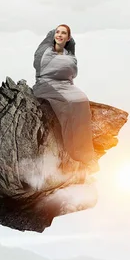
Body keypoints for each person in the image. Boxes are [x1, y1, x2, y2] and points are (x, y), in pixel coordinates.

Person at [32, 24, 99, 173]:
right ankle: (79, 154)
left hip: (66, 85)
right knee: (70, 104)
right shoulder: (46, 51)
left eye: (63, 33)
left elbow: (72, 73)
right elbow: (41, 66)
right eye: (57, 32)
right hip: (46, 85)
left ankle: (85, 151)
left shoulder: (69, 54)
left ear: (68, 37)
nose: (59, 35)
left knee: (82, 101)